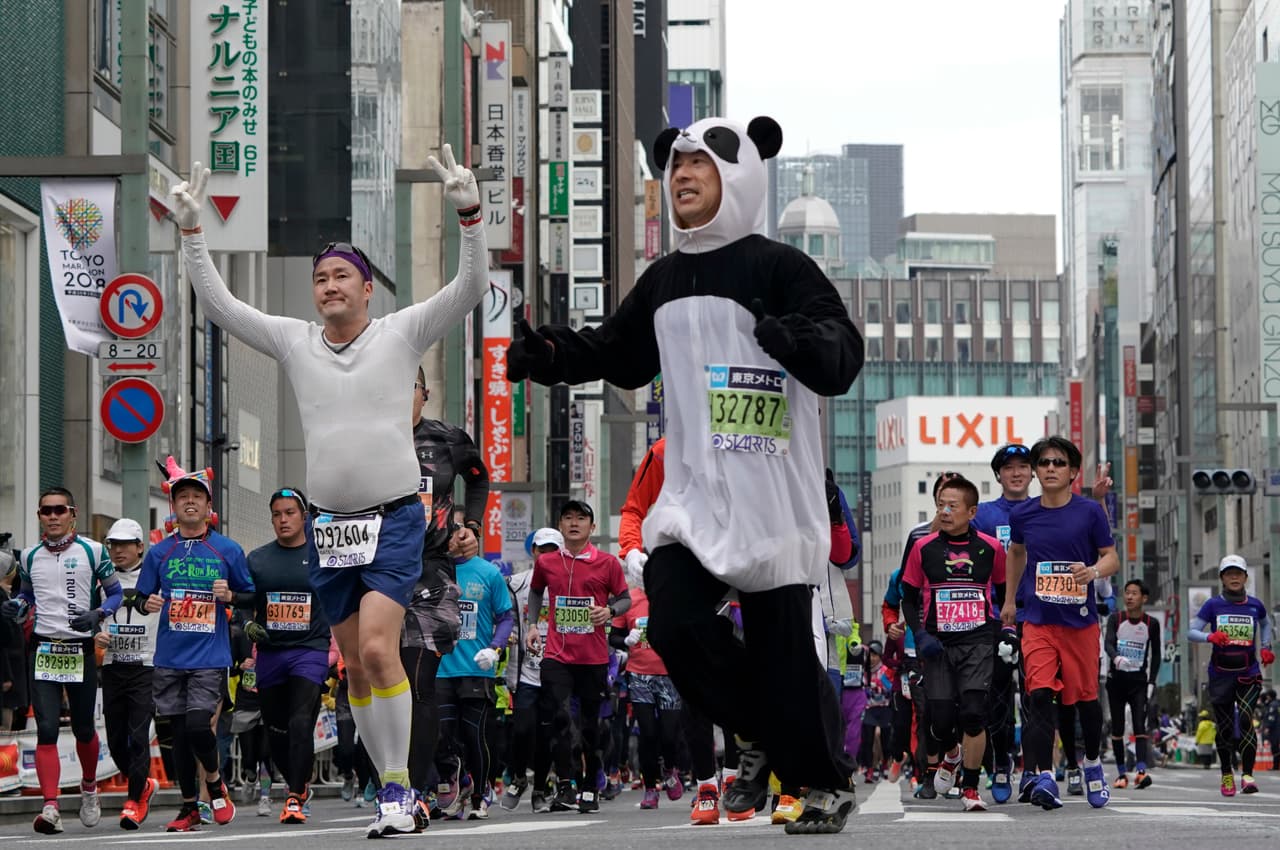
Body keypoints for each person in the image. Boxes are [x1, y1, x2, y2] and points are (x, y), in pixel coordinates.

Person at [506, 115, 863, 835]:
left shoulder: (780, 267)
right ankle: (764, 732)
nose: (684, 176)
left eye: (701, 163)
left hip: (772, 499)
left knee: (787, 656)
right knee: (674, 623)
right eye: (676, 166)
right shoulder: (664, 279)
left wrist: (792, 338)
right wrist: (549, 356)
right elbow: (617, 350)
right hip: (694, 499)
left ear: (740, 174)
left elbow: (842, 352)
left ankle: (823, 785)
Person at [170, 144, 486, 838]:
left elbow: (467, 291)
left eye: (342, 276)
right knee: (362, 672)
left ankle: (400, 790)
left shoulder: (401, 333)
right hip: (330, 526)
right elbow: (220, 305)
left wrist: (469, 214)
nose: (329, 287)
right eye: (320, 279)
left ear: (368, 288)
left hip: (396, 517)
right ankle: (390, 791)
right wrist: (192, 234)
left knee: (379, 649)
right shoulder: (293, 341)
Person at [134, 462, 255, 831]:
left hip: (209, 657)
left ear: (207, 506)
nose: (189, 502)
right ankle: (189, 807)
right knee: (179, 736)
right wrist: (146, 604)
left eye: (196, 497)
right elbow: (140, 596)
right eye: (182, 496)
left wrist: (231, 594)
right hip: (169, 657)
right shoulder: (159, 553)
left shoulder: (227, 550)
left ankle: (216, 782)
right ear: (174, 505)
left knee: (201, 728)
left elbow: (250, 596)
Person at [1000, 437, 1117, 812]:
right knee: (1037, 696)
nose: (1050, 467)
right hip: (1037, 621)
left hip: (1079, 623)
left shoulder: (1089, 512)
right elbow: (1016, 552)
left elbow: (1111, 556)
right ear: (1036, 471)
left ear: (1072, 472)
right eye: (1044, 462)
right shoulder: (1023, 515)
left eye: (1059, 462)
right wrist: (1007, 601)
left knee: (1085, 701)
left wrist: (1094, 572)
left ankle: (1093, 763)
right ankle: (1045, 775)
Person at [1, 488, 122, 834]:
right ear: (39, 515)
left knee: (84, 729)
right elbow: (25, 595)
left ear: (73, 513)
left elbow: (114, 593)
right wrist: (18, 608)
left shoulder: (93, 550)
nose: (53, 516)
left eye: (59, 510)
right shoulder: (29, 556)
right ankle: (51, 806)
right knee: (47, 730)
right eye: (46, 511)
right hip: (43, 651)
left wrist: (98, 613)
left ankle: (88, 788)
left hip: (80, 650)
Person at [406, 366, 487, 821]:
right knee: (381, 685)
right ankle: (409, 776)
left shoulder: (447, 440)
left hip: (432, 574)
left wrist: (471, 526)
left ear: (425, 393)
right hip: (378, 576)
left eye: (409, 388)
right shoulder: (364, 436)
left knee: (421, 684)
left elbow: (478, 479)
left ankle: (415, 790)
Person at [901, 476, 1005, 812]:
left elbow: (1002, 595)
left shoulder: (991, 548)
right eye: (940, 505)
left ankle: (971, 788)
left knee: (974, 715)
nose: (944, 512)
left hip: (977, 643)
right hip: (937, 645)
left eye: (952, 506)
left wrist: (1001, 632)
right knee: (941, 720)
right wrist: (921, 635)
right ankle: (951, 754)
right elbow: (908, 598)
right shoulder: (923, 547)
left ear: (971, 511)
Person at [525, 501, 630, 814]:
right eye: (568, 518)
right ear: (560, 525)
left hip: (593, 657)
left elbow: (623, 599)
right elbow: (535, 592)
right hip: (557, 654)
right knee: (558, 717)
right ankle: (567, 785)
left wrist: (609, 611)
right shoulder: (547, 563)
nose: (574, 523)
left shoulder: (607, 563)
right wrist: (532, 625)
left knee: (591, 726)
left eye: (581, 518)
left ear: (591, 527)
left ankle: (589, 787)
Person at [241, 487, 332, 824]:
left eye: (290, 513)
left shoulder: (323, 555)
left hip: (310, 650)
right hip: (271, 654)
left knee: (300, 721)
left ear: (304, 516)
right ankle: (297, 780)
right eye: (277, 514)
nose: (283, 520)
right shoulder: (258, 559)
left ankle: (295, 795)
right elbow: (242, 603)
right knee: (277, 730)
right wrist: (247, 626)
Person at [432, 543, 514, 820]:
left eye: (461, 530)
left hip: (476, 669)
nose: (455, 537)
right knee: (440, 736)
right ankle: (460, 783)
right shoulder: (433, 569)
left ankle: (480, 793)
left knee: (473, 736)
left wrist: (495, 648)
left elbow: (505, 617)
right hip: (440, 669)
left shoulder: (488, 573)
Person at [1188, 554, 1275, 795]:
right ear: (1222, 579)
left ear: (1245, 577)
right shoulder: (1212, 605)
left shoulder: (1255, 605)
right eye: (1229, 574)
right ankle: (1227, 773)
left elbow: (1266, 624)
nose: (1234, 577)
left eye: (1238, 573)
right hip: (1220, 673)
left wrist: (1266, 647)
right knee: (1225, 728)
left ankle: (1247, 775)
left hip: (1248, 672)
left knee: (1246, 719)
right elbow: (1191, 631)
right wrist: (1209, 636)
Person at [95, 518, 162, 829]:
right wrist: (97, 635)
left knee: (138, 736)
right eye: (113, 544)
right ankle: (144, 784)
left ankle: (134, 801)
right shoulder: (100, 583)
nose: (118, 550)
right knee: (115, 739)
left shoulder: (157, 578)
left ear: (139, 547)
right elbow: (92, 621)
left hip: (146, 666)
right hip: (112, 665)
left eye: (125, 544)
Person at [501, 527, 563, 812]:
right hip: (526, 670)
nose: (546, 555)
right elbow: (503, 616)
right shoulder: (515, 583)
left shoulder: (571, 582)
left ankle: (540, 788)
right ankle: (517, 777)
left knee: (547, 735)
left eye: (552, 550)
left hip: (557, 671)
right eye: (542, 549)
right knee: (523, 729)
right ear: (533, 552)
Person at [1104, 578, 1161, 789]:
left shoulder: (1151, 624)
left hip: (1138, 681)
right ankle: (1121, 774)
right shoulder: (1115, 619)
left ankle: (1141, 771)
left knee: (1140, 725)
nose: (1129, 597)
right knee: (1117, 727)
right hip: (1117, 680)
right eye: (1127, 592)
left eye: (1134, 593)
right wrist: (1116, 657)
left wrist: (1152, 683)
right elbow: (1108, 642)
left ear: (1144, 598)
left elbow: (1156, 655)